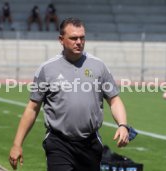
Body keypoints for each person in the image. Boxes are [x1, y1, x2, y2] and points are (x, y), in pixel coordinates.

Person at [9, 18, 130, 171]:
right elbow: (32, 108)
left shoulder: (98, 66)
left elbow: (114, 100)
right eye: (73, 38)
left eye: (82, 37)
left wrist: (123, 125)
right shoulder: (47, 69)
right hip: (59, 143)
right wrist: (17, 144)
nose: (79, 42)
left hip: (90, 144)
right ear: (61, 40)